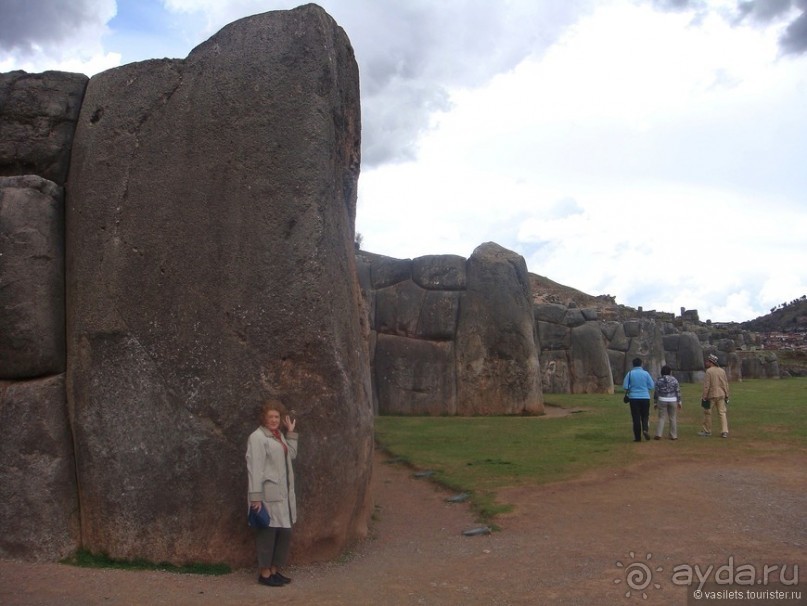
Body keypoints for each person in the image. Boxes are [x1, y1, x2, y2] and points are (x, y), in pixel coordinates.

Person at [246, 399, 299, 587]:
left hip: (283, 493)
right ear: (264, 418)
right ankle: (265, 573)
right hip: (268, 494)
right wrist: (255, 498)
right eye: (271, 416)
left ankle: (275, 569)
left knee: (284, 531)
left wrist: (290, 432)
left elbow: (291, 455)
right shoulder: (257, 437)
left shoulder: (278, 436)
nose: (274, 420)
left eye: (277, 416)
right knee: (267, 532)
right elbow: (255, 468)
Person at [622, 357, 655, 442]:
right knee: (645, 416)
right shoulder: (646, 373)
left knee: (636, 417)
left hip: (633, 398)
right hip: (645, 397)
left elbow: (625, 386)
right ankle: (645, 429)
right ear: (641, 364)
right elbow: (651, 385)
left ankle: (637, 437)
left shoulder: (630, 374)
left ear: (633, 364)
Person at [699, 353, 730, 438]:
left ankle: (707, 430)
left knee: (707, 412)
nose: (706, 363)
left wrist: (704, 396)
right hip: (721, 394)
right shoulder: (722, 371)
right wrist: (727, 394)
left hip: (711, 395)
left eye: (708, 361)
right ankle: (724, 431)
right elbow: (725, 383)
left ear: (711, 362)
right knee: (722, 413)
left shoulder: (709, 371)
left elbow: (707, 385)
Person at [653, 365, 682, 440]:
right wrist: (679, 401)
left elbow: (656, 392)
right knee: (672, 417)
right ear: (670, 372)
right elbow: (678, 391)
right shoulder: (674, 380)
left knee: (661, 417)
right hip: (672, 399)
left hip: (662, 399)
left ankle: (658, 434)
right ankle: (673, 435)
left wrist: (655, 402)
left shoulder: (659, 380)